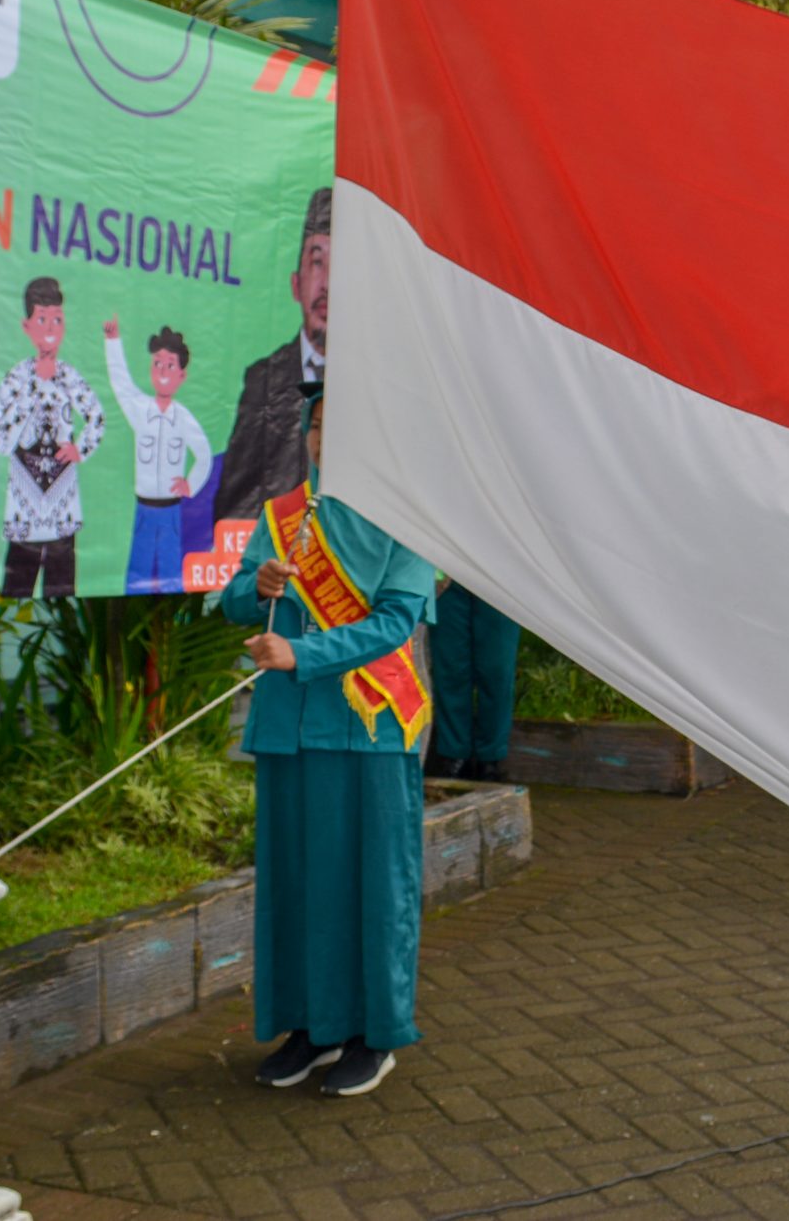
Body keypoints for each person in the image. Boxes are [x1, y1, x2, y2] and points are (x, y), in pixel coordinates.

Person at [221, 377, 438, 1097]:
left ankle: (375, 1035)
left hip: (370, 724)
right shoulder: (283, 516)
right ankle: (310, 1026)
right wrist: (260, 585)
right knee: (297, 885)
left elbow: (397, 620)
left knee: (373, 885)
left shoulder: (406, 519)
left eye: (344, 432)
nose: (326, 443)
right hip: (288, 727)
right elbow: (229, 596)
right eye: (319, 429)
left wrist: (302, 655)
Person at [215, 186, 335, 525]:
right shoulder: (264, 378)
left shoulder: (372, 380)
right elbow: (233, 500)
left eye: (339, 266)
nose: (326, 284)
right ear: (296, 284)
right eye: (317, 261)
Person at [0, 276, 105, 597]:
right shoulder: (17, 377)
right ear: (27, 326)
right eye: (42, 320)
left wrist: (79, 448)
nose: (50, 328)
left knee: (62, 588)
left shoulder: (69, 377)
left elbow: (96, 417)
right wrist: (28, 396)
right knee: (17, 586)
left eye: (57, 320)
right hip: (25, 502)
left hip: (61, 502)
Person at [103, 317, 214, 593]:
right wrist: (113, 341)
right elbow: (120, 383)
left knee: (170, 576)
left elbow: (204, 455)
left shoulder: (183, 418)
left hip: (170, 512)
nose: (163, 371)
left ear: (181, 375)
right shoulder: (140, 410)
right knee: (136, 576)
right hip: (143, 509)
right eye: (158, 364)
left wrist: (190, 483)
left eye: (170, 365)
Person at [427, 584, 525, 778]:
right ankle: (453, 754)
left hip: (499, 577)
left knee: (497, 670)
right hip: (447, 574)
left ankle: (490, 757)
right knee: (450, 667)